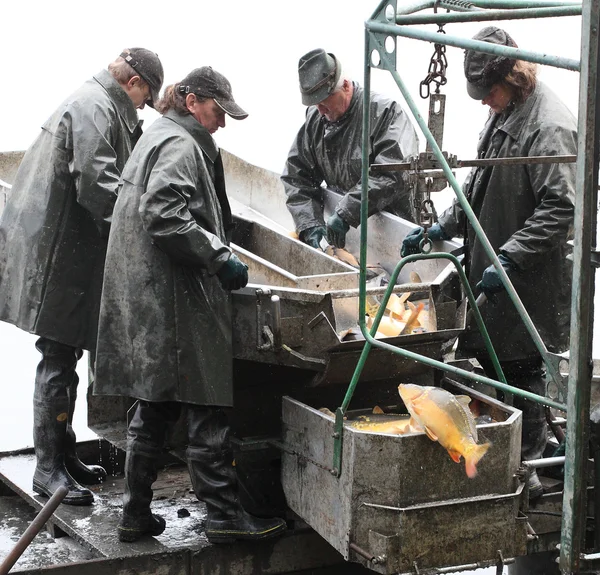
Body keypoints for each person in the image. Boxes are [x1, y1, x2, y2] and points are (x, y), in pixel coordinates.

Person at [93, 66, 287, 544]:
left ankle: (135, 514)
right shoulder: (181, 144)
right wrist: (219, 256)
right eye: (218, 111)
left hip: (148, 294)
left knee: (155, 404)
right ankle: (223, 518)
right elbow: (162, 212)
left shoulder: (155, 133)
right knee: (206, 402)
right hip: (177, 295)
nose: (220, 122)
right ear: (190, 99)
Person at [402, 27, 576, 500]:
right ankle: (510, 462)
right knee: (498, 369)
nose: (483, 102)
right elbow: (478, 187)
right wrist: (441, 226)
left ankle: (529, 474)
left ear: (515, 77)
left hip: (530, 280)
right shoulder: (505, 113)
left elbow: (561, 208)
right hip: (496, 266)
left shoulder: (548, 125)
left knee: (522, 374)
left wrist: (510, 259)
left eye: (489, 93)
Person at [0, 48, 164, 505]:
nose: (140, 108)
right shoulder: (95, 107)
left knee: (64, 356)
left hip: (61, 250)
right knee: (56, 357)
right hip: (56, 258)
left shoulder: (97, 100)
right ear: (133, 83)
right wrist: (144, 236)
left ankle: (64, 455)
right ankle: (47, 469)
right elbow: (99, 187)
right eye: (143, 98)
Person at [281, 48, 419, 250]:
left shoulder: (387, 113)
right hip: (346, 239)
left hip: (395, 238)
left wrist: (347, 212)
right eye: (314, 104)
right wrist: (309, 224)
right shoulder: (316, 118)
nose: (320, 110)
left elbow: (393, 173)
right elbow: (297, 177)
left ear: (345, 86)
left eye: (324, 102)